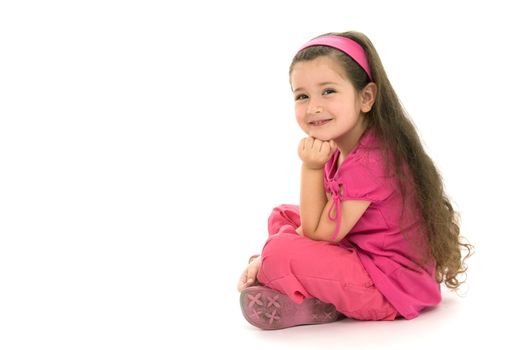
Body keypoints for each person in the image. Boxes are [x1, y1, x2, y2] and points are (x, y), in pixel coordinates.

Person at [237, 31, 472, 330]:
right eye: (302, 96)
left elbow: (318, 233)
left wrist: (310, 169)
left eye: (328, 91)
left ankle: (301, 290)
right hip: (360, 251)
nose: (314, 107)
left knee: (278, 252)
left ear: (366, 97)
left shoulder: (370, 162)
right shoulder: (342, 147)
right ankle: (301, 285)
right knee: (281, 215)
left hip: (388, 290)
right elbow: (318, 223)